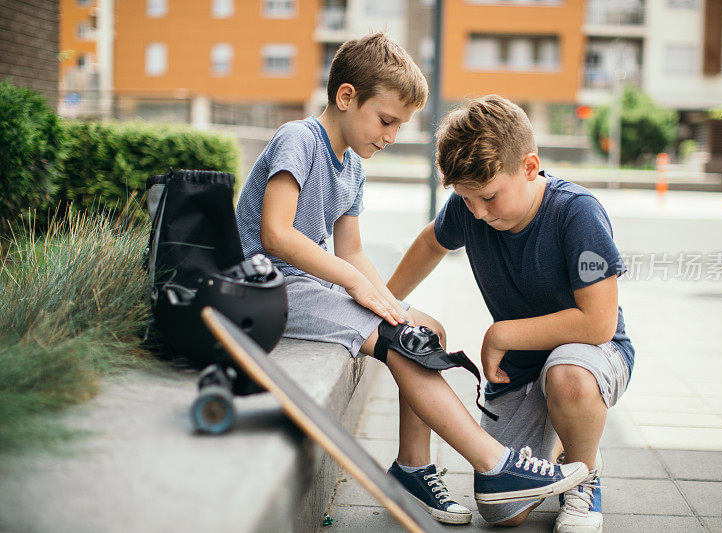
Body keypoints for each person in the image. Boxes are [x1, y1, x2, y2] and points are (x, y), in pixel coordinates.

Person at [235, 36, 588, 525]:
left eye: (400, 125)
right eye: (386, 120)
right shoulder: (299, 139)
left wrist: (384, 299)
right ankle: (494, 464)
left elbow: (352, 251)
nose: (392, 135)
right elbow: (276, 234)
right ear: (345, 97)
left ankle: (413, 468)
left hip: (307, 287)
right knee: (406, 339)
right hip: (266, 286)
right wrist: (356, 288)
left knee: (426, 328)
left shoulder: (352, 166)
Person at [386, 95, 635, 531]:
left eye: (488, 198)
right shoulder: (472, 208)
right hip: (521, 371)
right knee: (502, 510)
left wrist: (503, 334)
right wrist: (383, 301)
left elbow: (599, 322)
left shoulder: (577, 213)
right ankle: (563, 440)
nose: (478, 214)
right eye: (467, 201)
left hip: (593, 353)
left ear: (529, 167)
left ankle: (585, 473)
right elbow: (430, 243)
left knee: (568, 376)